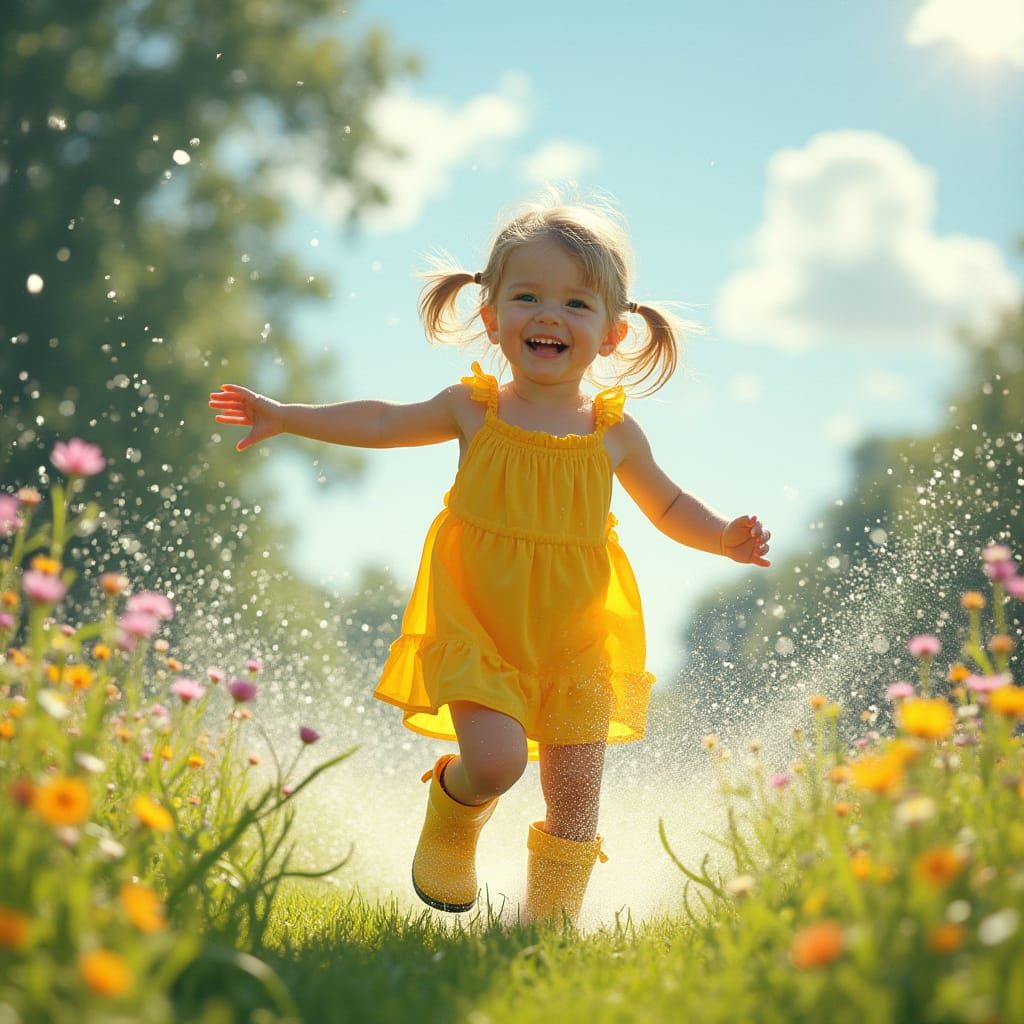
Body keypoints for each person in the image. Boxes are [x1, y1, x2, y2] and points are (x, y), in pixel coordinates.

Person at [209, 195, 771, 927]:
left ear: (612, 334)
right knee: (500, 762)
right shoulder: (475, 409)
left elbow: (667, 506)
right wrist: (286, 415)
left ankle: (544, 932)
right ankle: (454, 806)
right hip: (479, 619)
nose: (549, 315)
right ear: (490, 316)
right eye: (528, 296)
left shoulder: (614, 432)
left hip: (575, 637)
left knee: (574, 802)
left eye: (576, 302)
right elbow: (380, 419)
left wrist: (723, 535)